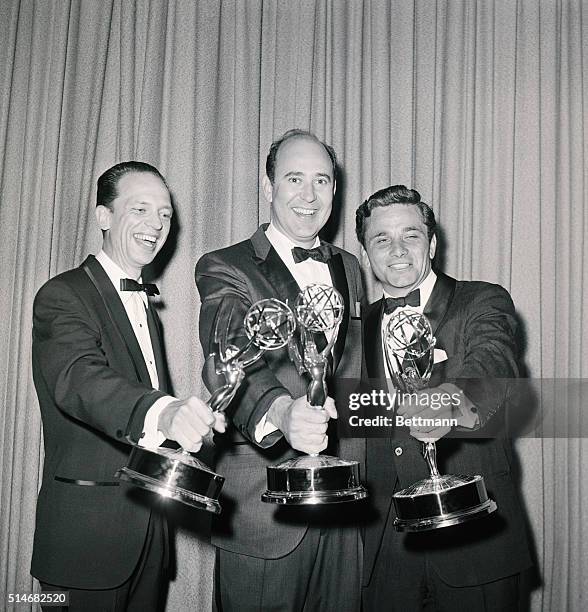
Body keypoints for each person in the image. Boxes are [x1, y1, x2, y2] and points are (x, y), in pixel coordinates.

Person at [31, 161, 225, 612]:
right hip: (84, 546)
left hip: (149, 540)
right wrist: (165, 412)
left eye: (165, 214)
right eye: (140, 209)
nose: (156, 224)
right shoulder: (63, 295)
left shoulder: (144, 305)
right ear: (104, 217)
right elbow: (78, 379)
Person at [196, 130, 365, 611]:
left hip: (342, 507)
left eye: (322, 181)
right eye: (294, 179)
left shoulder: (350, 267)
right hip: (263, 511)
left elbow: (350, 373)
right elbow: (223, 356)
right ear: (268, 188)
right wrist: (282, 411)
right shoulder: (224, 265)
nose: (309, 196)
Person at [356, 185, 533, 611]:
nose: (396, 249)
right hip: (386, 550)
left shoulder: (481, 299)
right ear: (365, 253)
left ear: (432, 244)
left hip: (476, 539)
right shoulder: (359, 326)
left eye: (411, 235)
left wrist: (449, 401)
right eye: (381, 239)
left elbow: (496, 365)